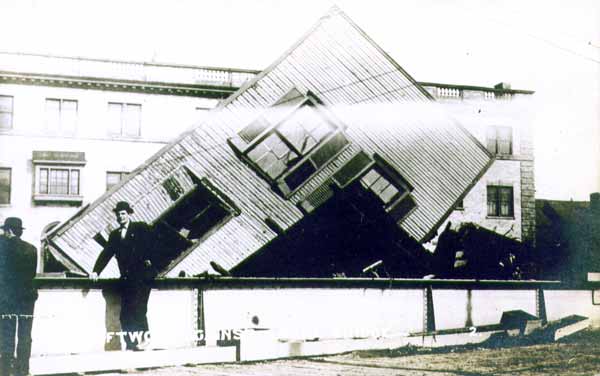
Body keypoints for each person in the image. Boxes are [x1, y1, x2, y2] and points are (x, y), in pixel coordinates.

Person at [90, 201, 156, 351]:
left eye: (123, 214)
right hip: (126, 279)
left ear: (129, 214)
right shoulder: (115, 235)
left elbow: (155, 243)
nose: (120, 217)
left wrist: (151, 261)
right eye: (118, 214)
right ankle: (131, 344)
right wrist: (96, 271)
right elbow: (106, 253)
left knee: (139, 309)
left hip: (143, 277)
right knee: (125, 314)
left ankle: (145, 339)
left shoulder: (140, 228)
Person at [0, 217, 38, 376]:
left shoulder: (3, 248)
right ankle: (23, 370)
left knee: (7, 335)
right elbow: (31, 275)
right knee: (25, 335)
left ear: (8, 231)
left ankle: (5, 370)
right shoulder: (32, 249)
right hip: (27, 299)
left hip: (7, 299)